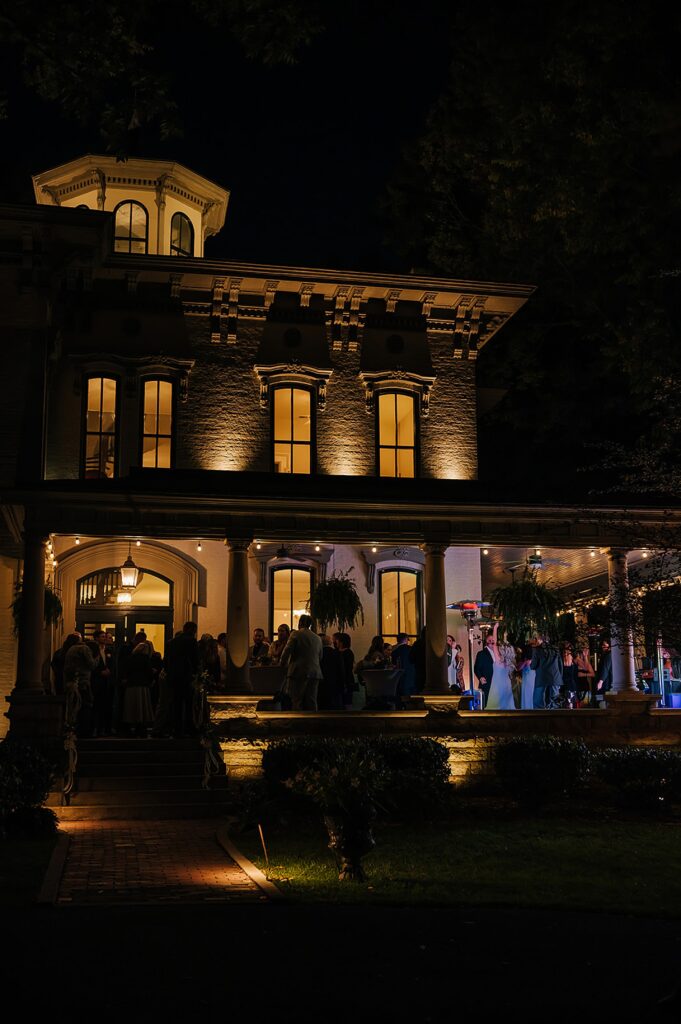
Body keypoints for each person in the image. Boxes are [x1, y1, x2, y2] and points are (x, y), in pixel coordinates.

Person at [280, 614, 323, 710]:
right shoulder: (317, 638)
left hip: (298, 671)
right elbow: (320, 656)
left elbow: (287, 651)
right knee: (312, 700)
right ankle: (313, 722)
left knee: (296, 700)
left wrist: (282, 663)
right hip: (315, 672)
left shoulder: (295, 634)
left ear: (300, 623)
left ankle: (297, 722)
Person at [164, 621, 199, 737]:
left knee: (176, 704)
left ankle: (176, 729)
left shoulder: (171, 642)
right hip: (186, 676)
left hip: (173, 677)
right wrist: (195, 673)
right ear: (192, 630)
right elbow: (195, 659)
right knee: (188, 704)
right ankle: (189, 728)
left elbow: (166, 661)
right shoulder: (191, 641)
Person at [63, 632, 97, 736]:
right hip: (82, 682)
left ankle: (74, 730)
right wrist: (97, 658)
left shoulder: (70, 649)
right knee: (86, 706)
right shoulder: (84, 649)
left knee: (74, 707)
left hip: (71, 682)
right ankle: (85, 730)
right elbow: (92, 665)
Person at [122, 639, 155, 737]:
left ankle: (129, 729)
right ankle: (141, 729)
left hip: (131, 685)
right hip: (142, 685)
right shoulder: (145, 659)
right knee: (142, 706)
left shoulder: (130, 658)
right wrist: (151, 679)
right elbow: (149, 672)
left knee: (131, 707)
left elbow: (125, 671)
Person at [486, 622, 516, 710]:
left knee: (496, 706)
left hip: (497, 685)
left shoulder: (499, 660)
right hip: (506, 684)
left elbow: (494, 643)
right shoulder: (509, 663)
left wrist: (495, 628)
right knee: (507, 705)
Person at [91, 628, 114, 736]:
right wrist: (100, 672)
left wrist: (110, 671)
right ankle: (95, 728)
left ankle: (105, 729)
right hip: (97, 681)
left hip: (107, 682)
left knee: (106, 706)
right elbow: (91, 665)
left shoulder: (109, 650)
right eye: (102, 637)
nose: (104, 638)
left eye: (105, 637)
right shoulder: (92, 650)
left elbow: (113, 663)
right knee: (96, 705)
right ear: (96, 638)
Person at [531, 637, 564, 709]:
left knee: (538, 702)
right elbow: (560, 665)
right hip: (555, 677)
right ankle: (555, 718)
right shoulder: (556, 649)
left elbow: (533, 666)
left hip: (542, 678)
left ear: (541, 640)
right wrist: (560, 678)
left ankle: (540, 718)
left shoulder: (537, 649)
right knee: (555, 702)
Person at [318, 633, 345, 710]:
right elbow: (341, 670)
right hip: (334, 682)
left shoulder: (318, 654)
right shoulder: (337, 653)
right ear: (330, 643)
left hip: (322, 682)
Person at [392, 632, 417, 699]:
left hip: (399, 679)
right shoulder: (411, 649)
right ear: (406, 639)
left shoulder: (394, 651)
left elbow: (393, 665)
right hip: (412, 677)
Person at [333, 632, 355, 707]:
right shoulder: (349, 652)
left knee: (344, 702)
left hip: (344, 680)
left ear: (341, 642)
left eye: (337, 641)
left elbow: (346, 668)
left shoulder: (344, 653)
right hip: (348, 680)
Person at [474, 633, 495, 708]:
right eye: (490, 640)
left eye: (493, 640)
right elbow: (476, 668)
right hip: (486, 682)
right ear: (487, 641)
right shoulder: (481, 653)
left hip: (496, 682)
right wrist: (480, 677)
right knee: (486, 704)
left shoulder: (498, 653)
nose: (492, 642)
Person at [518, 642, 537, 710]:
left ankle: (527, 709)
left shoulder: (528, 660)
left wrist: (524, 663)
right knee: (527, 694)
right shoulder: (529, 659)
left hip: (528, 677)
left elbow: (519, 668)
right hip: (529, 676)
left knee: (527, 694)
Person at [561, 643, 580, 708]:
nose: (566, 654)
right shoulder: (564, 659)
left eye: (568, 652)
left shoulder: (571, 660)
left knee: (570, 705)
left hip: (570, 686)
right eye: (565, 652)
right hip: (566, 686)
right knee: (567, 704)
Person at [595, 639, 612, 703]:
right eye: (602, 645)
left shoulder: (608, 655)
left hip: (606, 682)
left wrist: (600, 682)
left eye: (604, 645)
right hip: (606, 681)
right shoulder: (606, 655)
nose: (603, 646)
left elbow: (605, 668)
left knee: (602, 699)